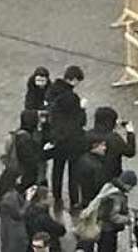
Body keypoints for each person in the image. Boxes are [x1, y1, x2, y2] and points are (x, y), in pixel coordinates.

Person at [46, 65, 86, 211]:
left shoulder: (52, 92)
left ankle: (57, 196)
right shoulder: (72, 98)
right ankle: (74, 201)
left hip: (57, 137)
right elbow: (80, 121)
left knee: (57, 168)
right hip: (72, 140)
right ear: (73, 79)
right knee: (73, 172)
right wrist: (82, 108)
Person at [75, 171, 137, 252]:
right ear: (127, 184)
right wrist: (128, 219)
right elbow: (113, 216)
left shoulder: (109, 186)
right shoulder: (116, 196)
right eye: (131, 186)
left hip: (95, 224)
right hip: (107, 230)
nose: (131, 189)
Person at [90, 108, 135, 181]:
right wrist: (130, 132)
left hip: (91, 177)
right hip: (112, 176)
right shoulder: (115, 138)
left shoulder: (87, 135)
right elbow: (130, 152)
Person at [24, 188, 65, 252]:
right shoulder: (43, 217)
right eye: (50, 197)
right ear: (43, 200)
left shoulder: (30, 210)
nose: (53, 199)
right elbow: (60, 230)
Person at [0, 180, 35, 252]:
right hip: (14, 237)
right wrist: (28, 199)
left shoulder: (8, 195)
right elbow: (19, 214)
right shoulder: (10, 197)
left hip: (9, 235)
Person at [76, 137, 108, 209]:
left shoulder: (83, 159)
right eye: (102, 145)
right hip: (93, 203)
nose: (104, 148)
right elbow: (99, 185)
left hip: (85, 201)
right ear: (95, 146)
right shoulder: (96, 165)